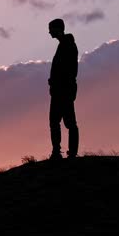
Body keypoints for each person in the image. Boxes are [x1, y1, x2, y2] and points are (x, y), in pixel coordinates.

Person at [47, 18, 79, 159]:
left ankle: (71, 153)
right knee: (55, 121)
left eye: (51, 29)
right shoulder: (64, 45)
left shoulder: (68, 45)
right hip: (60, 90)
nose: (49, 32)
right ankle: (57, 152)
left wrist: (58, 83)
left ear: (58, 29)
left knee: (69, 122)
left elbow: (69, 71)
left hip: (64, 91)